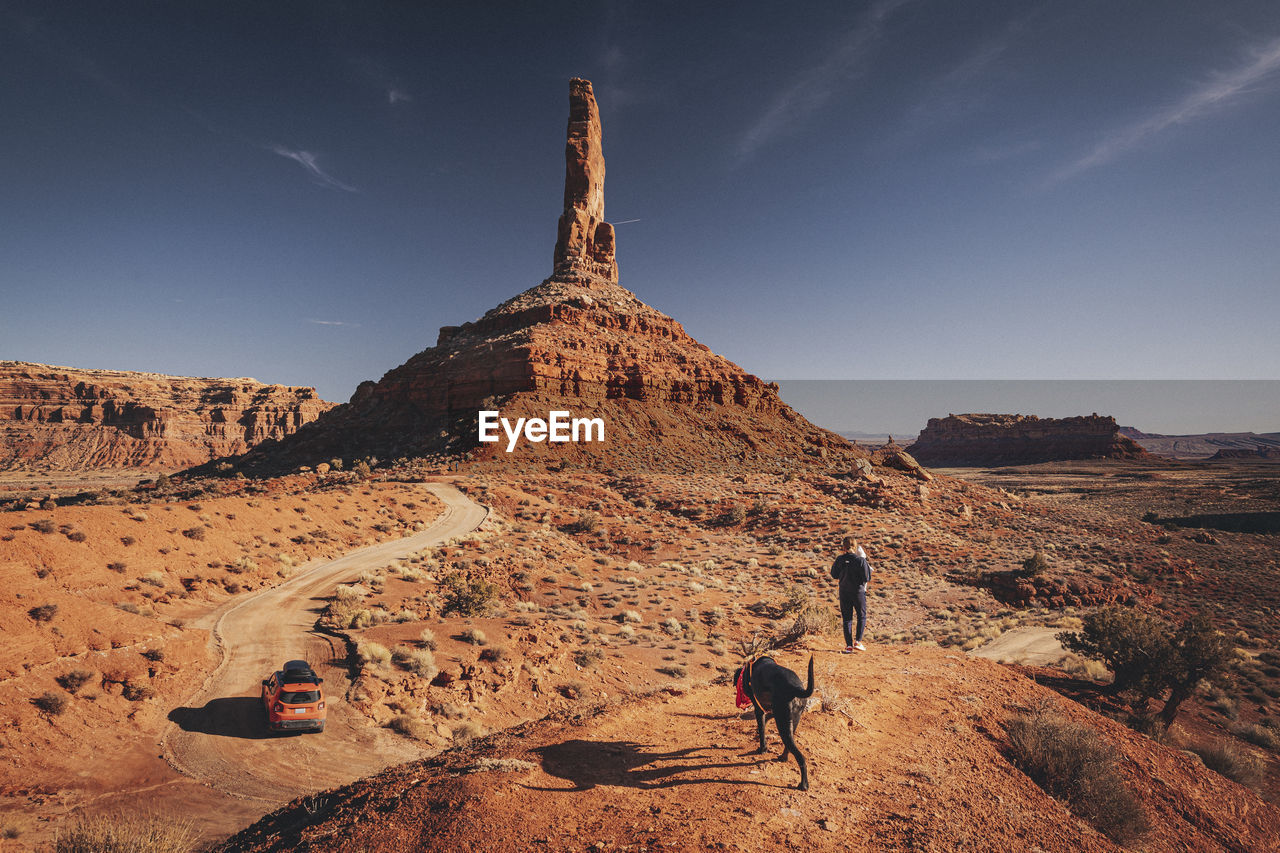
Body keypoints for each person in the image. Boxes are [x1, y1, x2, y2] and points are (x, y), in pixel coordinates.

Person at [829, 536, 872, 652]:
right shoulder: (861, 561)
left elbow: (834, 575)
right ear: (855, 546)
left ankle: (848, 646)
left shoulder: (839, 559)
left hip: (844, 592)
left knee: (847, 618)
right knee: (861, 616)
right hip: (858, 592)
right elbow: (867, 577)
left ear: (844, 546)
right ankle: (858, 642)